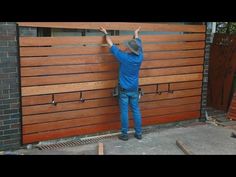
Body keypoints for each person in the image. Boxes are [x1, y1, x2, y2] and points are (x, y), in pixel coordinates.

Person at [99, 26, 144, 141]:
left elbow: (110, 44)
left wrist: (105, 33)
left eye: (128, 47)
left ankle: (125, 134)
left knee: (124, 111)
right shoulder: (140, 57)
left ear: (129, 50)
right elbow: (138, 42)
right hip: (134, 89)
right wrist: (136, 33)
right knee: (136, 110)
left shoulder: (124, 57)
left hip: (124, 90)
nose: (126, 47)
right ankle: (138, 133)